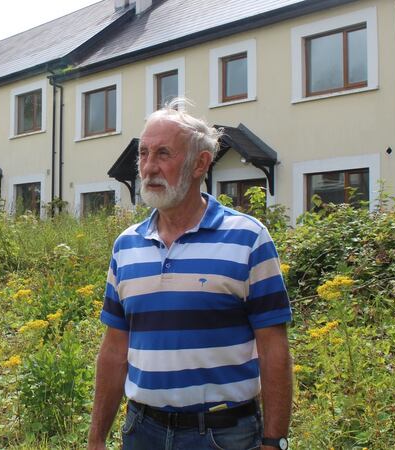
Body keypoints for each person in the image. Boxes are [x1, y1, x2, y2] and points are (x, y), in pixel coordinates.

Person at [87, 101, 292, 450]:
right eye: (143, 153)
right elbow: (114, 350)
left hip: (223, 434)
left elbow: (273, 349)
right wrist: (96, 440)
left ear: (201, 163)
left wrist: (274, 441)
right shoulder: (126, 246)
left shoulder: (248, 238)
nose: (149, 167)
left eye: (163, 153)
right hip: (142, 431)